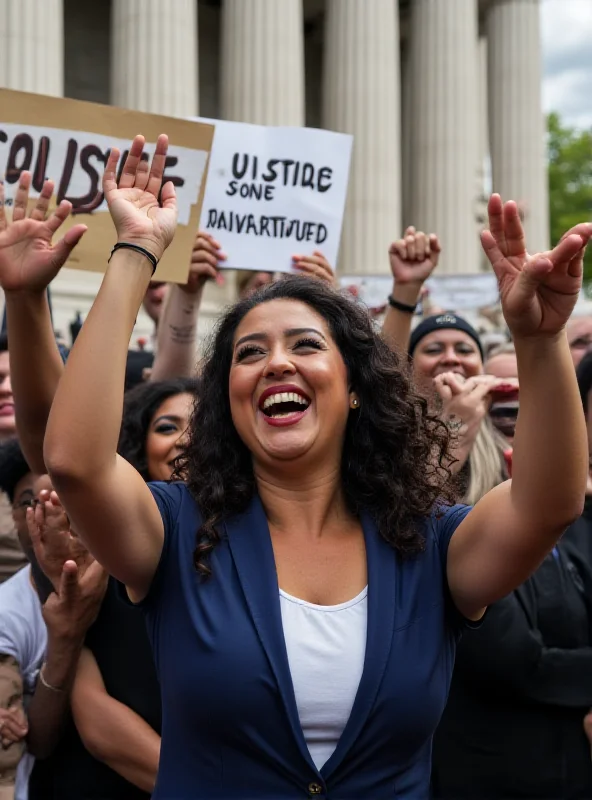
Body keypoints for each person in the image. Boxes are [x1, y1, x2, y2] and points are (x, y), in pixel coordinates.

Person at [40, 136, 590, 797]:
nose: (277, 363)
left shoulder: (430, 540)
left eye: (305, 345)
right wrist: (134, 251)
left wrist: (539, 340)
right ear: (227, 401)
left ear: (353, 386)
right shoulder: (173, 529)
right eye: (249, 354)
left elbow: (547, 502)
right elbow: (77, 463)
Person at [0, 440, 105, 800]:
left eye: (60, 495)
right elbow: (38, 741)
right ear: (14, 519)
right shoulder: (6, 614)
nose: (48, 512)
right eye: (29, 501)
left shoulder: (137, 578)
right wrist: (66, 635)